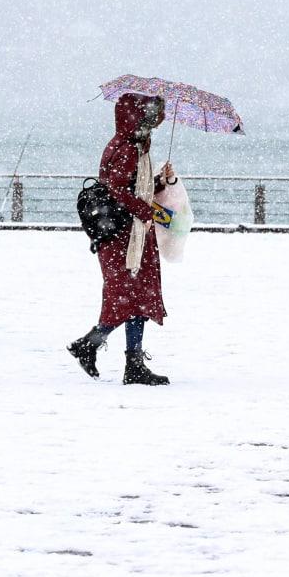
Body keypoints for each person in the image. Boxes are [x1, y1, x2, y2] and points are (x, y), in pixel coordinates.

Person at [66, 94, 174, 384]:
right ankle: (92, 346)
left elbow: (129, 187)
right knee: (128, 297)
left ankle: (129, 361)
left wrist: (160, 183)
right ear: (134, 120)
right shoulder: (127, 149)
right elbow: (118, 190)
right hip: (123, 237)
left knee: (134, 298)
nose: (151, 128)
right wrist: (145, 209)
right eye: (148, 122)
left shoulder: (126, 146)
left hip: (124, 234)